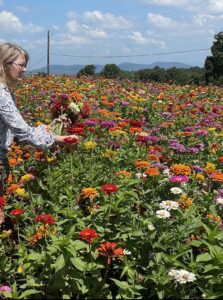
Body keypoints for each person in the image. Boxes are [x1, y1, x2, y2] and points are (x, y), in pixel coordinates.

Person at [0, 43, 78, 195]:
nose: (25, 69)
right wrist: (61, 139)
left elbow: (13, 132)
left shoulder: (6, 92)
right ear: (5, 63)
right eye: (21, 65)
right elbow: (25, 133)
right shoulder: (2, 95)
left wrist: (49, 127)